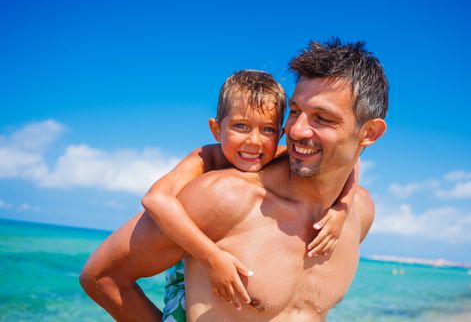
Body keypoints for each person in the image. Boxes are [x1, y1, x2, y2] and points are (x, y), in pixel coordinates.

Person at [80, 38, 388, 321]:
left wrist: (343, 206)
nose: (295, 131)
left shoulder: (358, 212)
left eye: (322, 118)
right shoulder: (224, 197)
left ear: (369, 133)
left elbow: (349, 163)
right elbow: (101, 277)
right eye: (294, 112)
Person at [140, 70, 357, 321]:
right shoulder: (206, 157)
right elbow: (155, 199)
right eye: (241, 126)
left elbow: (351, 159)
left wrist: (342, 207)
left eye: (267, 130)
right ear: (215, 128)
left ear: (281, 133)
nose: (254, 142)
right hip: (189, 265)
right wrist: (211, 257)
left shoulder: (281, 155)